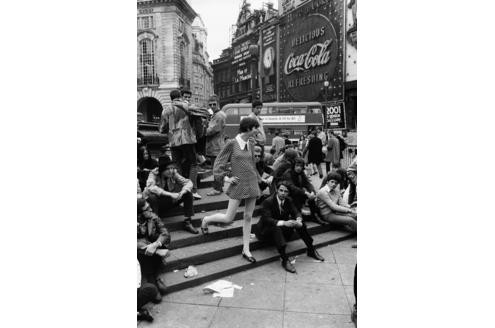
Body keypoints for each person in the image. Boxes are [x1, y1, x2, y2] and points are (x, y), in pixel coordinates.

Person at [201, 117, 262, 263]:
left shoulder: (251, 143)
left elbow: (252, 164)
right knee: (229, 218)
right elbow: (218, 163)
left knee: (248, 217)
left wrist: (260, 178)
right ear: (247, 128)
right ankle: (206, 219)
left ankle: (246, 249)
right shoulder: (231, 144)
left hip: (252, 182)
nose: (257, 130)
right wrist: (226, 178)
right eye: (255, 128)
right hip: (238, 183)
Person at [255, 181, 324, 273]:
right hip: (265, 232)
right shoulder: (268, 201)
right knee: (276, 227)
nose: (283, 193)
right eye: (281, 190)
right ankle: (284, 259)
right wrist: (284, 223)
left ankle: (311, 249)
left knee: (299, 224)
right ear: (276, 190)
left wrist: (298, 220)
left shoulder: (288, 200)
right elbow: (267, 219)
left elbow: (296, 212)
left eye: (286, 191)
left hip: (281, 231)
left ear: (288, 193)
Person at [159, 89, 201, 200]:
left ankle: (181, 191)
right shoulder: (187, 106)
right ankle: (193, 190)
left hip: (173, 141)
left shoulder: (166, 110)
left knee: (177, 166)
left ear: (170, 98)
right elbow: (200, 115)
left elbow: (162, 128)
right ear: (180, 96)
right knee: (193, 164)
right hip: (188, 139)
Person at [144, 156, 199, 234]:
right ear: (162, 169)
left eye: (172, 168)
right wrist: (170, 194)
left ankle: (187, 222)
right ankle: (156, 225)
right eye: (168, 169)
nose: (171, 171)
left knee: (188, 194)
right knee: (152, 197)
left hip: (168, 201)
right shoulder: (153, 174)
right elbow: (150, 187)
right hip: (155, 205)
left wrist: (183, 191)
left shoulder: (173, 173)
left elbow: (188, 182)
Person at [137, 198, 171, 301]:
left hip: (151, 246)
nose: (151, 209)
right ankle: (152, 279)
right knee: (141, 247)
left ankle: (156, 276)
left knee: (158, 239)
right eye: (147, 208)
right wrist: (152, 249)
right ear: (139, 213)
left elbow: (165, 234)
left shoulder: (153, 216)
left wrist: (155, 245)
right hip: (140, 252)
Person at [281, 157, 325, 224]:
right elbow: (292, 187)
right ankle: (299, 216)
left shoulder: (301, 173)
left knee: (311, 198)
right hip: (288, 195)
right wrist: (305, 193)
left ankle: (315, 216)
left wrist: (312, 192)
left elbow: (307, 183)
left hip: (298, 193)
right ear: (294, 166)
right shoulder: (288, 173)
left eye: (301, 166)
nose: (299, 168)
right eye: (297, 166)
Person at [205, 95, 227, 196]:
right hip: (217, 145)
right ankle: (219, 187)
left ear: (218, 103)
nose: (212, 106)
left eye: (214, 104)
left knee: (216, 168)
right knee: (218, 167)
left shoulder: (218, 115)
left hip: (216, 146)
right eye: (210, 105)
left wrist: (203, 129)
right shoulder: (217, 114)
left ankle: (217, 189)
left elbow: (211, 131)